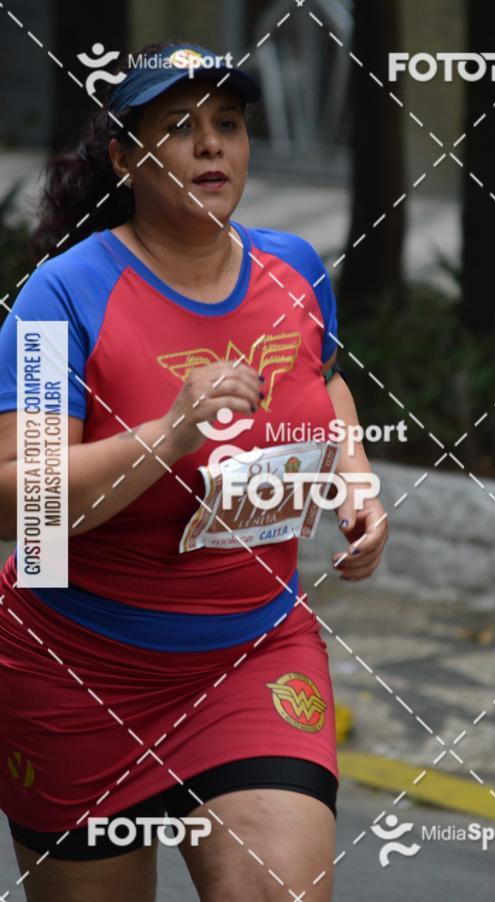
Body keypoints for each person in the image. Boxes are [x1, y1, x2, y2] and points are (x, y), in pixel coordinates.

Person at [0, 41, 388, 902]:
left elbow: (325, 382)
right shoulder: (58, 298)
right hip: (77, 667)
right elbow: (20, 504)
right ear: (126, 157)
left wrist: (353, 476)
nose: (212, 145)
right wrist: (170, 430)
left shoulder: (295, 269)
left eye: (229, 124)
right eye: (180, 127)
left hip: (250, 652)